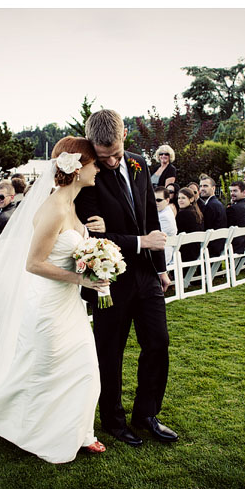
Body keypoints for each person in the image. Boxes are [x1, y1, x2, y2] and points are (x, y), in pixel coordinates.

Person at [0, 138, 110, 463]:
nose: (98, 168)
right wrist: (82, 279)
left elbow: (71, 249)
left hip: (69, 306)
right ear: (78, 167)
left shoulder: (72, 205)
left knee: (85, 370)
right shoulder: (54, 209)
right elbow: (34, 263)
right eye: (94, 163)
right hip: (48, 308)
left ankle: (81, 432)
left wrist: (92, 247)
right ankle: (38, 431)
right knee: (45, 374)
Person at [74, 109, 177, 447]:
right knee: (110, 350)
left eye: (117, 152)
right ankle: (113, 419)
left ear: (125, 137)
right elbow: (89, 237)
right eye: (105, 156)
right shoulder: (85, 174)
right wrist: (137, 242)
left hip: (147, 274)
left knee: (158, 343)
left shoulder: (137, 162)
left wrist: (160, 267)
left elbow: (150, 216)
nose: (113, 160)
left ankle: (146, 414)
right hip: (108, 278)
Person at [198, 175, 228, 257]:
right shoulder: (217, 203)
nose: (202, 189)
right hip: (218, 244)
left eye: (205, 186)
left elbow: (206, 228)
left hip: (212, 248)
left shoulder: (211, 206)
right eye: (200, 186)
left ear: (213, 188)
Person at [174, 187, 204, 263]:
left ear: (191, 199)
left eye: (183, 198)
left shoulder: (183, 214)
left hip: (185, 253)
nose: (180, 200)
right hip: (196, 251)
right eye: (179, 198)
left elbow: (176, 233)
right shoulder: (197, 213)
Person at [226, 180, 245, 254]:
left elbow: (225, 226)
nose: (232, 193)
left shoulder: (233, 209)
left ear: (244, 192)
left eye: (235, 191)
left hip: (233, 245)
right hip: (244, 243)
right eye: (231, 191)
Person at [154, 185, 177, 266]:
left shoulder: (164, 216)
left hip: (163, 254)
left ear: (167, 200)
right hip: (162, 251)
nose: (155, 202)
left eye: (159, 200)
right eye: (154, 200)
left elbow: (155, 238)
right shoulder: (164, 211)